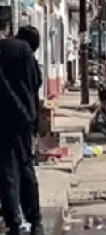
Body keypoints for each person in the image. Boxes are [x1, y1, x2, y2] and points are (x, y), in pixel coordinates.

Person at [0, 21, 44, 235]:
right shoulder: (24, 51)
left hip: (4, 117)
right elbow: (37, 82)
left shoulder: (6, 49)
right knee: (25, 168)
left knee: (7, 170)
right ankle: (34, 219)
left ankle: (14, 221)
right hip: (23, 119)